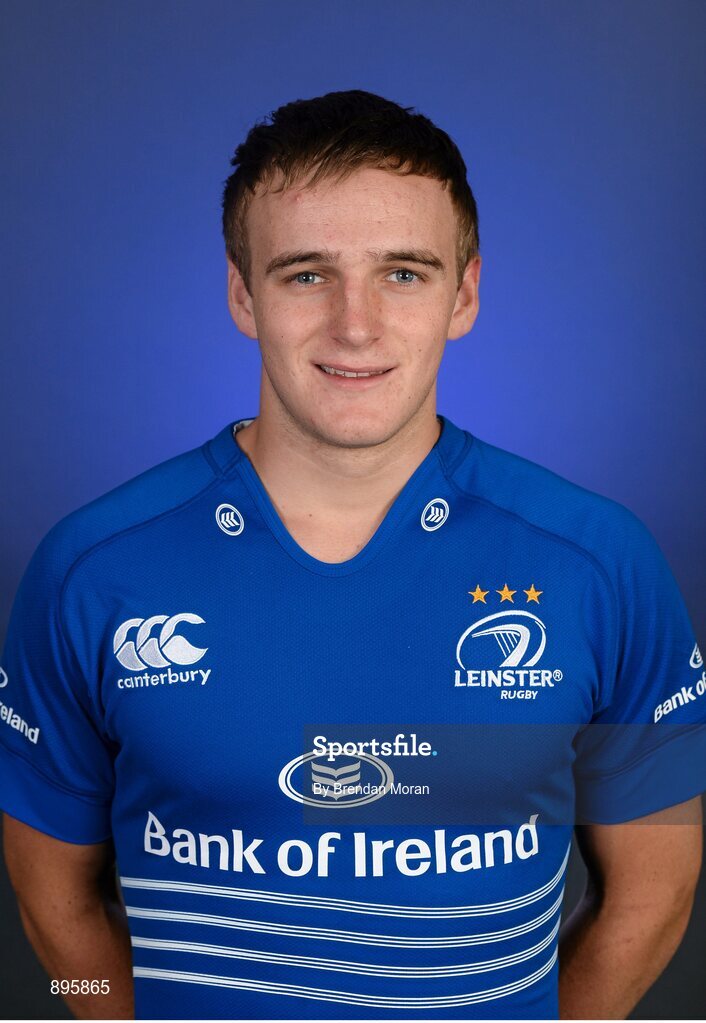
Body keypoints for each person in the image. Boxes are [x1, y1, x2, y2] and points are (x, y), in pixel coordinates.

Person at [1, 89, 704, 1022]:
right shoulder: (92, 569)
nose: (356, 326)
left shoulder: (600, 562)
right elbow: (54, 901)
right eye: (306, 275)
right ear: (242, 294)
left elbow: (654, 890)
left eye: (404, 273)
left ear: (466, 294)